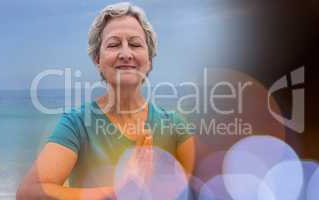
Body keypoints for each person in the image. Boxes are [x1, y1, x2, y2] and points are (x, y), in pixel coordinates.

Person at [17, 2, 195, 199]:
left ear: (149, 59)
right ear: (97, 60)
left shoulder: (174, 125)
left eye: (135, 44)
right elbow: (29, 193)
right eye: (113, 45)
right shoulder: (77, 123)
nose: (126, 54)